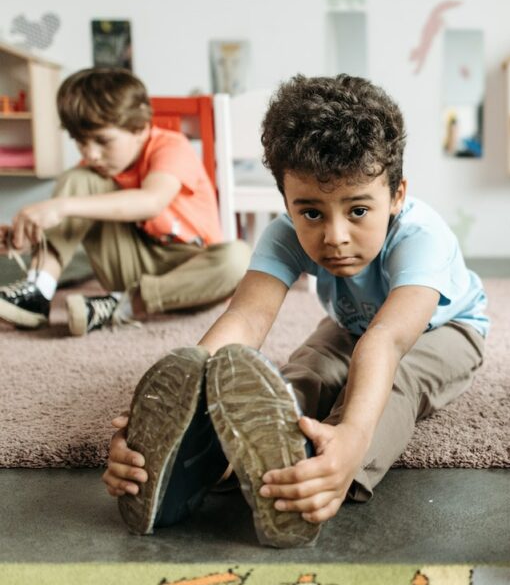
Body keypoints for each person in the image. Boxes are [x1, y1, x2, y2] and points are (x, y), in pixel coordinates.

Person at [101, 74, 488, 547]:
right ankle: (217, 455)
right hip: (350, 323)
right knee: (299, 373)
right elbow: (246, 318)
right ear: (285, 202)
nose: (335, 235)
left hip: (441, 331)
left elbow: (386, 340)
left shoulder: (422, 239)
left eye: (359, 211)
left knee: (391, 387)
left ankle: (321, 466)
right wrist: (173, 406)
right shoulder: (285, 233)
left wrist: (351, 436)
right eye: (311, 213)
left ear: (398, 194)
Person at [0, 67, 250, 335]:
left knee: (240, 259)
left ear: (140, 128)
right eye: (80, 142)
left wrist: (62, 207)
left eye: (102, 141)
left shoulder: (170, 146)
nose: (91, 153)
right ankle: (39, 290)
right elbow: (72, 214)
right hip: (131, 267)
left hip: (190, 278)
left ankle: (124, 305)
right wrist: (26, 236)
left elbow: (151, 202)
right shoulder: (93, 169)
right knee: (79, 178)